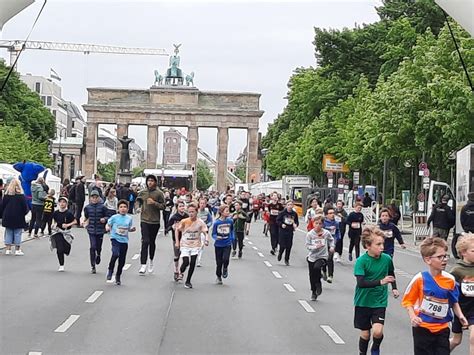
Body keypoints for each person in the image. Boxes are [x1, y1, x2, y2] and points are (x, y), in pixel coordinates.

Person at [402, 237, 468, 355]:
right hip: (422, 328)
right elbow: (408, 302)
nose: (444, 260)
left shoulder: (450, 280)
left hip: (442, 329)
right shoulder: (419, 279)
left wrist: (460, 315)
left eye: (445, 256)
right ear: (428, 260)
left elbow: (453, 302)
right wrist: (413, 317)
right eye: (440, 257)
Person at [354, 225, 399, 355]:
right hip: (363, 301)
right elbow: (361, 283)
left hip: (379, 301)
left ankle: (375, 348)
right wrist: (381, 282)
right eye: (378, 244)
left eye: (382, 244)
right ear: (368, 246)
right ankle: (362, 352)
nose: (382, 247)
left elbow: (391, 273)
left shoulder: (387, 259)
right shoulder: (361, 261)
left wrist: (394, 288)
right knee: (365, 333)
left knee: (378, 331)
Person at [449, 233, 474, 353]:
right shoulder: (457, 270)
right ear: (463, 252)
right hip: (461, 309)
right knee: (456, 340)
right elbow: (448, 289)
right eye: (473, 250)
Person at [175, 202, 209, 289]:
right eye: (189, 212)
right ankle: (181, 271)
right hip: (185, 244)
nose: (191, 214)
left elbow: (205, 231)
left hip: (195, 245)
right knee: (186, 262)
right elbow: (177, 230)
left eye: (193, 212)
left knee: (193, 262)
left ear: (196, 212)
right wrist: (177, 242)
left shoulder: (200, 222)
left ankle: (188, 281)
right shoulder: (184, 221)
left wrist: (207, 239)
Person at [136, 174, 165, 275]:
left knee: (152, 242)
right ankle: (143, 264)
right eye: (149, 181)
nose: (150, 182)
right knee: (145, 241)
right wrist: (138, 207)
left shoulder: (159, 193)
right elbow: (138, 200)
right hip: (144, 219)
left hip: (155, 221)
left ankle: (151, 261)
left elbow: (163, 206)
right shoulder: (143, 192)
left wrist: (154, 203)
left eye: (152, 181)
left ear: (155, 182)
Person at [105, 200, 136, 285]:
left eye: (125, 207)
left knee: (122, 260)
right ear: (118, 209)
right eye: (121, 207)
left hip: (124, 240)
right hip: (115, 238)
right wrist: (107, 227)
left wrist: (131, 229)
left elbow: (128, 228)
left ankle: (118, 276)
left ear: (127, 209)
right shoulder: (114, 217)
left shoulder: (129, 218)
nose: (123, 209)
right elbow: (108, 224)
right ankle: (110, 270)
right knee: (115, 254)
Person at [306, 215, 334, 301]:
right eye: (316, 223)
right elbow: (307, 246)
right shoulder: (310, 234)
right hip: (312, 256)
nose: (318, 225)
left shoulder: (326, 233)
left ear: (323, 224)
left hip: (322, 256)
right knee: (312, 275)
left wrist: (332, 247)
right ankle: (313, 291)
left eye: (320, 223)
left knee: (317, 267)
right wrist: (314, 247)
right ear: (313, 223)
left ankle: (318, 284)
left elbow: (331, 240)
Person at [83, 190, 109, 274]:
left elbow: (108, 216)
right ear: (90, 198)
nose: (94, 199)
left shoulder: (103, 207)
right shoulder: (87, 207)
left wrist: (104, 219)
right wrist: (85, 222)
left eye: (96, 197)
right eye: (92, 197)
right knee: (92, 246)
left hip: (100, 230)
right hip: (91, 229)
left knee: (98, 246)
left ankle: (98, 254)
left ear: (99, 198)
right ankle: (92, 265)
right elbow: (86, 217)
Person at [1, 178, 28, 255]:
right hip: (18, 217)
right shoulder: (21, 196)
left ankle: (8, 249)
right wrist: (25, 214)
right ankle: (17, 249)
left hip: (8, 216)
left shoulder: (6, 196)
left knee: (8, 232)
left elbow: (3, 206)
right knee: (17, 233)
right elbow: (25, 208)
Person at [51, 197, 77, 271]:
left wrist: (68, 225)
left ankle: (66, 250)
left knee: (66, 248)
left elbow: (75, 221)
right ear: (58, 203)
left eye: (64, 202)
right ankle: (61, 265)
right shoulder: (56, 213)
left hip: (66, 232)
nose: (62, 204)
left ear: (66, 204)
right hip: (58, 232)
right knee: (59, 249)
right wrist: (53, 225)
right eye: (60, 202)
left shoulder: (69, 213)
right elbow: (54, 221)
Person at [212, 204, 235, 285]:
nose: (228, 212)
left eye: (228, 211)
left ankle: (225, 268)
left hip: (227, 243)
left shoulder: (230, 221)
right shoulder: (216, 223)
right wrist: (216, 237)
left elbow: (232, 230)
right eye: (226, 211)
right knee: (219, 262)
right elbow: (213, 233)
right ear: (221, 212)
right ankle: (218, 276)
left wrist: (232, 238)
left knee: (226, 259)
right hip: (218, 245)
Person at [167, 201, 189, 281]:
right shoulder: (174, 217)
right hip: (176, 238)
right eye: (180, 206)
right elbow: (167, 227)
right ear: (177, 208)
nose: (182, 208)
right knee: (177, 255)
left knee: (184, 256)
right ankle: (176, 270)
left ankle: (181, 271)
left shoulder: (187, 217)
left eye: (183, 206)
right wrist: (172, 227)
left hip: (185, 239)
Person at [276, 200, 299, 266]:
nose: (290, 206)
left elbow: (296, 221)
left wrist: (295, 225)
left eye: (291, 205)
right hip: (283, 231)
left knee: (289, 246)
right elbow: (277, 220)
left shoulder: (294, 214)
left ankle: (287, 259)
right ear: (286, 206)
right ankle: (280, 253)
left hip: (290, 230)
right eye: (288, 205)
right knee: (282, 245)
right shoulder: (282, 213)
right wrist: (281, 224)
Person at [322, 207, 340, 282]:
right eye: (330, 213)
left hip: (332, 242)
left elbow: (337, 232)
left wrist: (337, 239)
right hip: (323, 243)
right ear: (326, 215)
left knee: (330, 259)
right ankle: (324, 271)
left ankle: (330, 275)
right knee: (323, 259)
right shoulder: (323, 223)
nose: (332, 215)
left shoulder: (336, 223)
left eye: (333, 213)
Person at [196, 197, 213, 267]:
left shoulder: (207, 212)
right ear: (199, 204)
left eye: (204, 203)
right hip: (196, 231)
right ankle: (194, 256)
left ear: (206, 204)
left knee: (201, 245)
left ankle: (198, 260)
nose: (202, 205)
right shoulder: (196, 211)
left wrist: (207, 226)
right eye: (201, 203)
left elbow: (210, 221)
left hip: (203, 232)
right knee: (196, 245)